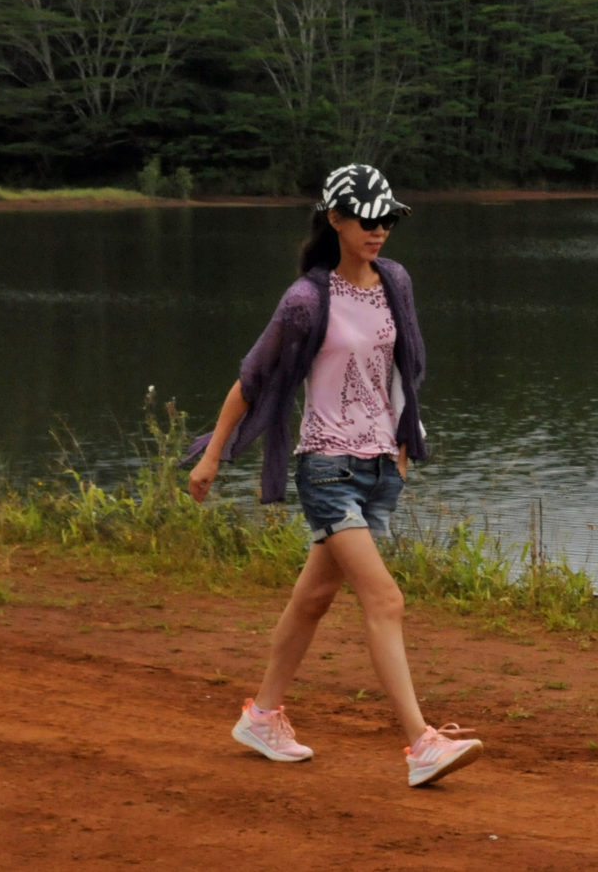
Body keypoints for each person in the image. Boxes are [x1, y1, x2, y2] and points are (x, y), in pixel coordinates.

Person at [184, 164, 483, 787]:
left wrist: (404, 436)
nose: (380, 231)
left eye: (388, 220)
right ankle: (420, 743)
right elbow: (253, 379)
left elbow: (404, 369)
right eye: (368, 220)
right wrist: (213, 455)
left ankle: (262, 715)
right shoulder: (305, 300)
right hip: (325, 468)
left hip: (378, 469)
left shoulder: (395, 282)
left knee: (315, 598)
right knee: (385, 599)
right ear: (336, 220)